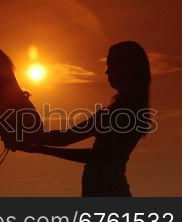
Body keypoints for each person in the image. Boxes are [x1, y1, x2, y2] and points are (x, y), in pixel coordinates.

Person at [17, 41, 152, 197]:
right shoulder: (122, 109)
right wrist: (31, 138)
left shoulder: (125, 112)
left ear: (127, 69)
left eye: (112, 65)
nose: (107, 72)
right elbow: (66, 137)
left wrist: (39, 147)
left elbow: (98, 157)